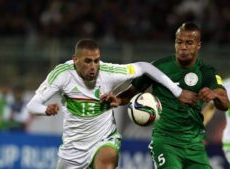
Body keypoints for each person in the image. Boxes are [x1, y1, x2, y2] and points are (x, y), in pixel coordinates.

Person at [27, 39, 197, 169]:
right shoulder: (62, 74)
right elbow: (32, 105)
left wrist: (177, 91)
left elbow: (145, 67)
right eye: (88, 61)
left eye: (96, 60)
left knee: (107, 161)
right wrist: (45, 109)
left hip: (104, 139)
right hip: (73, 149)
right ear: (75, 59)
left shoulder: (108, 72)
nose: (94, 66)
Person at [103, 22, 229, 169]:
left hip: (194, 145)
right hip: (165, 141)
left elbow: (225, 103)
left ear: (198, 45)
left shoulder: (206, 72)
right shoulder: (158, 67)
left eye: (189, 43)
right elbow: (132, 92)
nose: (183, 47)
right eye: (179, 42)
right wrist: (117, 99)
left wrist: (215, 95)